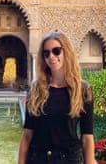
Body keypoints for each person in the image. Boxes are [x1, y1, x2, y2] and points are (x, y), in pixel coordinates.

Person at [18, 30, 95, 164]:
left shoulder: (82, 90)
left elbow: (87, 137)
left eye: (56, 51)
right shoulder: (36, 90)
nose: (51, 57)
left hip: (69, 159)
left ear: (67, 52)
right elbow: (27, 135)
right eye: (46, 53)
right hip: (37, 159)